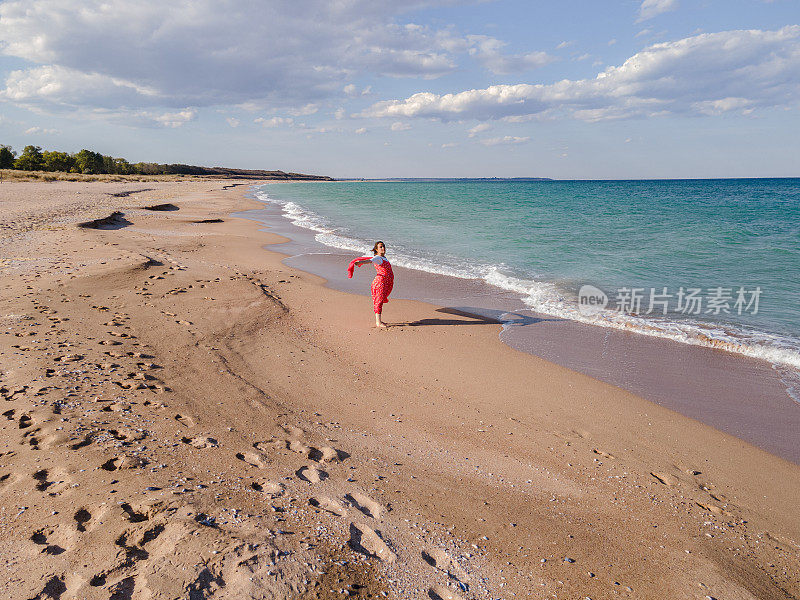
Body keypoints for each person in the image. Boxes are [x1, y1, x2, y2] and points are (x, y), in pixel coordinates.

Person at [348, 241, 394, 328]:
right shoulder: (378, 258)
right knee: (379, 301)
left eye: (383, 246)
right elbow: (370, 261)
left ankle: (379, 320)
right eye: (380, 247)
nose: (383, 248)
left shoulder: (383, 258)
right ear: (376, 249)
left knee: (380, 301)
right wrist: (360, 263)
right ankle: (378, 322)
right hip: (380, 282)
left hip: (384, 282)